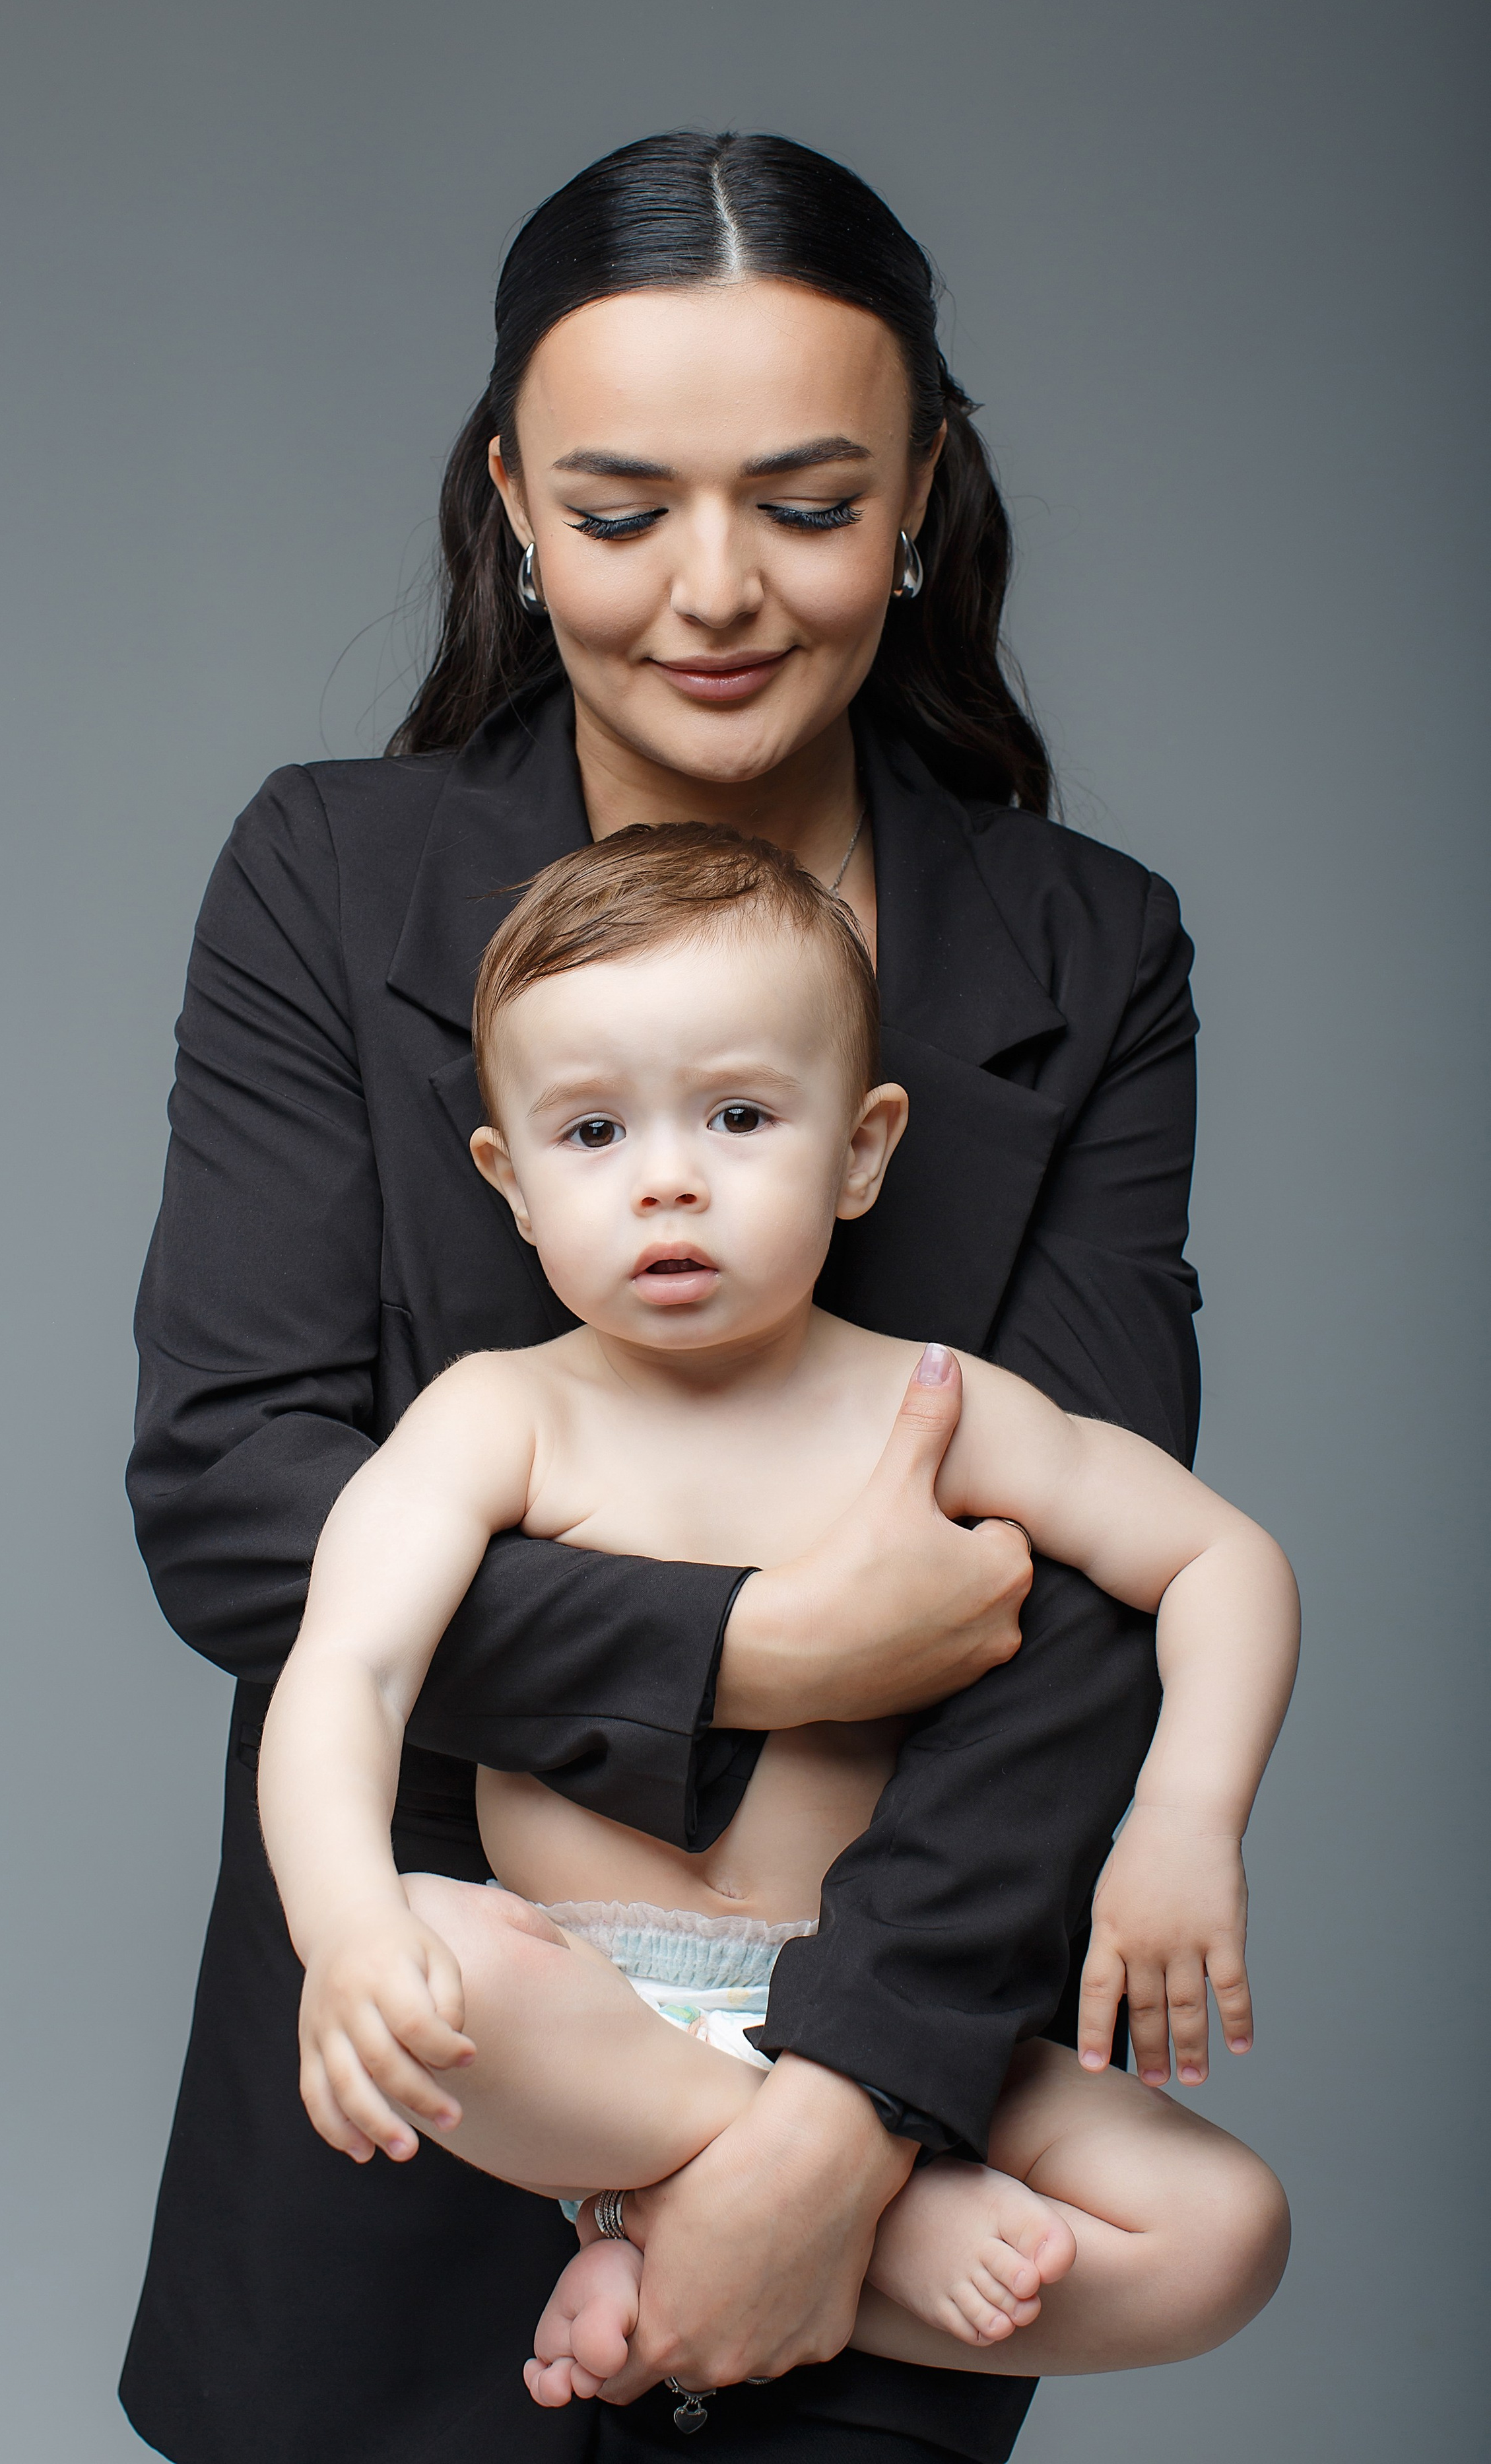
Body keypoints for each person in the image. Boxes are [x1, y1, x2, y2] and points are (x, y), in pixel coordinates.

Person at [120, 129, 1209, 2464]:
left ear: (922, 492)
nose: (712, 592)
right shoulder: (332, 879)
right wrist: (748, 1649)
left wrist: (833, 2135)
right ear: (510, 503)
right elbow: (237, 1503)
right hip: (415, 2101)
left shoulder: (1080, 943)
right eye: (619, 514)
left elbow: (1108, 1588)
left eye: (809, 504)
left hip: (907, 2103)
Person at [255, 824, 1295, 2418]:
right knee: (437, 1961)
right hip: (588, 2013)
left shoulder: (935, 1404)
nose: (668, 1174)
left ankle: (695, 2224)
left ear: (862, 1149)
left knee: (1224, 2235)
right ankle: (792, 2198)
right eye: (591, 1131)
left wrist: (1184, 1817)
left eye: (738, 1115)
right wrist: (341, 1929)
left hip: (871, 2022)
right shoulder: (500, 1419)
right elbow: (347, 1669)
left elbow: (1219, 1561)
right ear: (509, 1183)